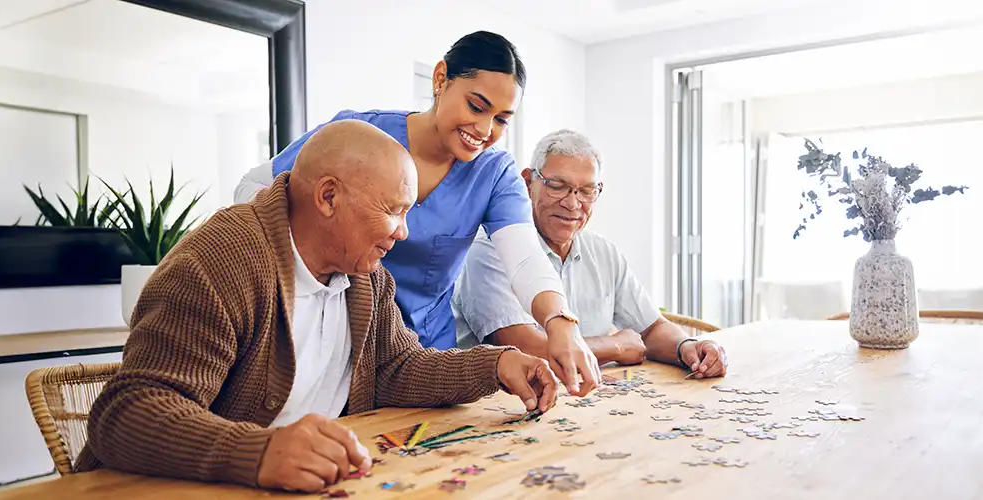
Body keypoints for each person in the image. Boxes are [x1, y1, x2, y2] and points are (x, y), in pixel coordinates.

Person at [74, 121, 559, 494]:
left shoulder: (365, 276)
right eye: (394, 210)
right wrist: (257, 451)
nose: (403, 232)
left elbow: (396, 368)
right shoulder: (219, 261)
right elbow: (127, 414)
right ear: (328, 196)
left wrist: (494, 363)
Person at [233, 31, 599, 395]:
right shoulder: (362, 135)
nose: (485, 130)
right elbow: (252, 189)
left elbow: (525, 260)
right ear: (441, 79)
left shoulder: (494, 173)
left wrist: (560, 322)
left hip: (421, 356)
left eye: (502, 119)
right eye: (476, 106)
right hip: (340, 340)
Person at [453, 129, 729, 378]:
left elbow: (652, 328)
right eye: (557, 186)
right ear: (528, 183)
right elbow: (528, 350)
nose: (573, 203)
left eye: (586, 191)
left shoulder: (603, 251)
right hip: (503, 411)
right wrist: (615, 345)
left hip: (588, 404)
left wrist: (688, 348)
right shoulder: (489, 249)